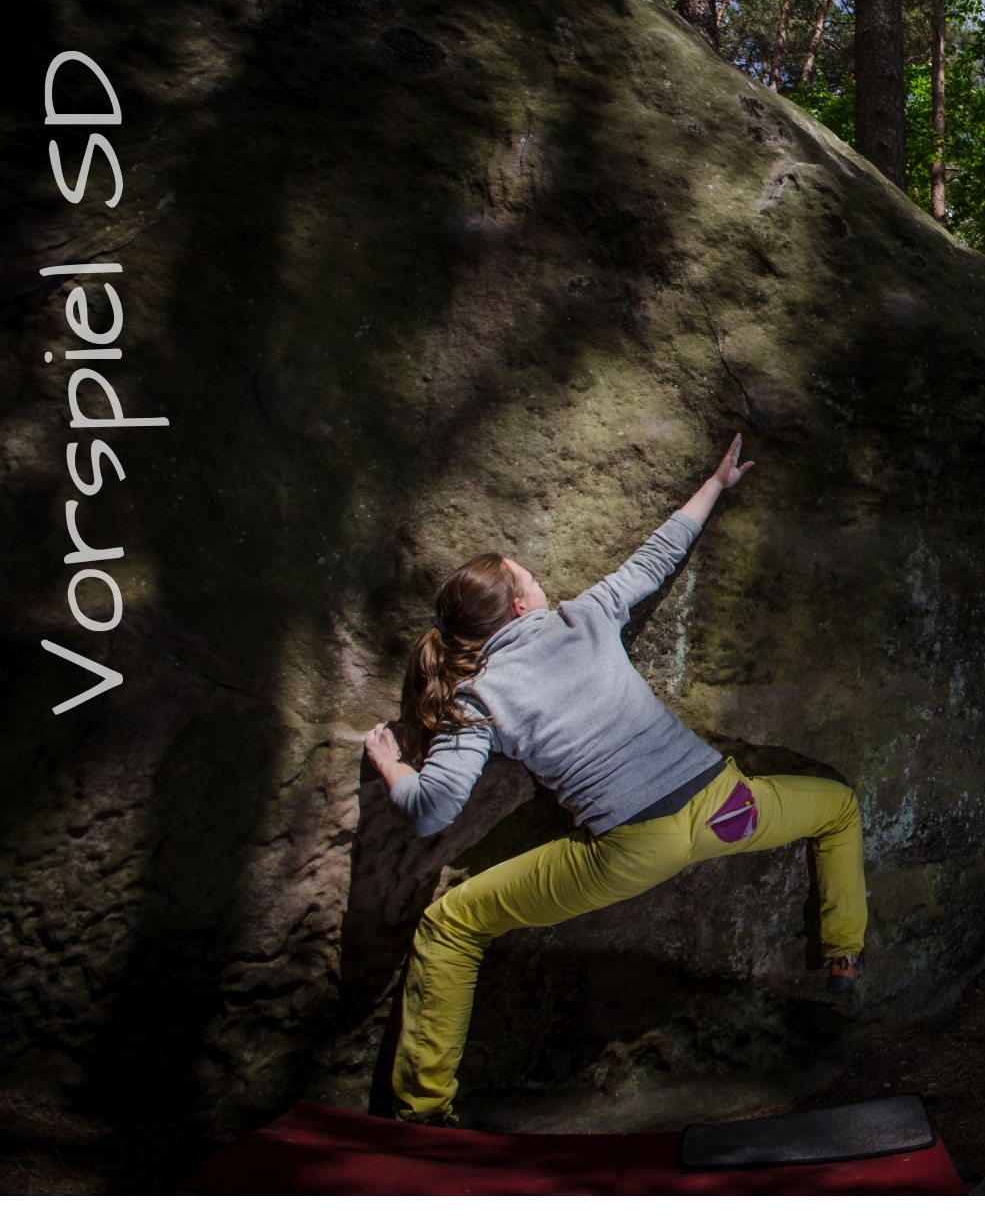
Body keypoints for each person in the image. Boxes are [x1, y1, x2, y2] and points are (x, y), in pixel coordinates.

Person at [364, 435, 865, 1128]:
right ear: (520, 607)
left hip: (635, 848)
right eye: (528, 577)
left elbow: (431, 810)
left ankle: (422, 1120)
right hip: (728, 806)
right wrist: (716, 483)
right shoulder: (586, 617)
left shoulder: (476, 697)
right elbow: (657, 556)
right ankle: (845, 956)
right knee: (838, 809)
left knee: (451, 927)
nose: (538, 581)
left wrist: (392, 766)